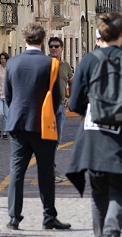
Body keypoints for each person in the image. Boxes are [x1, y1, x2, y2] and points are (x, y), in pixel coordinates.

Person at [65, 14, 122, 237]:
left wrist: (94, 110)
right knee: (121, 189)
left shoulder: (88, 60)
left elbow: (74, 103)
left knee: (98, 191)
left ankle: (101, 233)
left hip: (94, 137)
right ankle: (112, 231)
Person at [4, 23, 69, 231]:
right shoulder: (51, 64)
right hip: (44, 124)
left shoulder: (12, 63)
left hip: (18, 123)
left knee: (16, 171)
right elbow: (58, 97)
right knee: (46, 171)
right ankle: (48, 216)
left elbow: (8, 95)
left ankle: (14, 217)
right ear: (43, 41)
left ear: (24, 40)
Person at [47, 37, 72, 183]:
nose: (53, 48)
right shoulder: (45, 63)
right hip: (47, 107)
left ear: (62, 48)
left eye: (56, 46)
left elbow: (71, 80)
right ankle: (49, 171)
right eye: (51, 46)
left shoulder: (66, 66)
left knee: (57, 139)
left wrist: (70, 96)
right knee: (48, 139)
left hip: (61, 107)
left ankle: (52, 169)